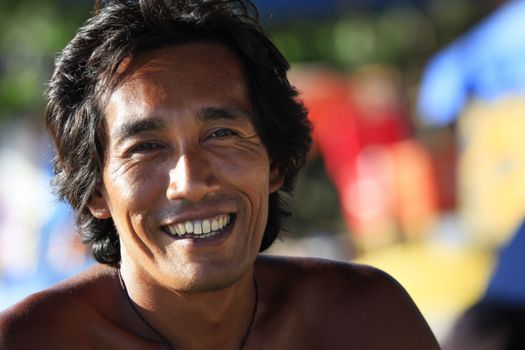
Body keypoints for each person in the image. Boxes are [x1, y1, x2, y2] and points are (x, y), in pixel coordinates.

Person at [0, 1, 440, 349]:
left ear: (275, 163)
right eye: (146, 147)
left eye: (221, 134)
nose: (190, 181)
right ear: (95, 188)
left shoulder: (364, 322)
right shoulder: (31, 342)